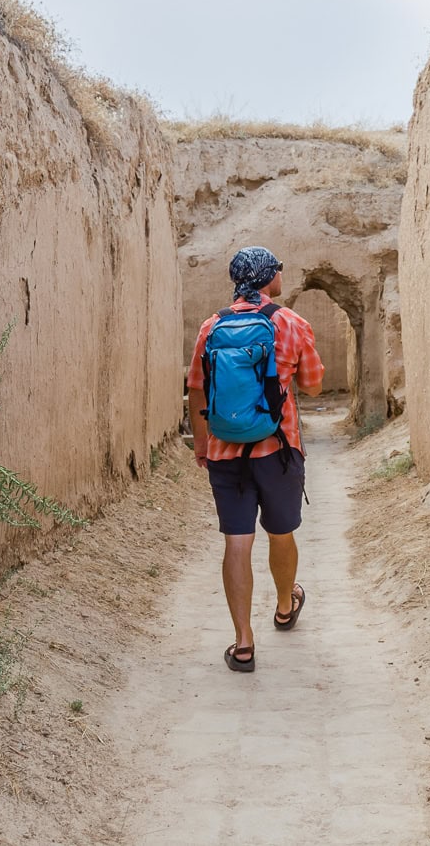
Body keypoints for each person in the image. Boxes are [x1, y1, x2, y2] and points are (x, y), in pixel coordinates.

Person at [187, 246, 324, 673]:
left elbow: (195, 388)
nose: (282, 274)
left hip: (225, 451)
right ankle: (285, 605)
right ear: (269, 279)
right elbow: (315, 386)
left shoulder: (212, 327)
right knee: (280, 534)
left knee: (236, 542)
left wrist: (202, 444)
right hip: (279, 450)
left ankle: (243, 644)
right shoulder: (292, 324)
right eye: (278, 269)